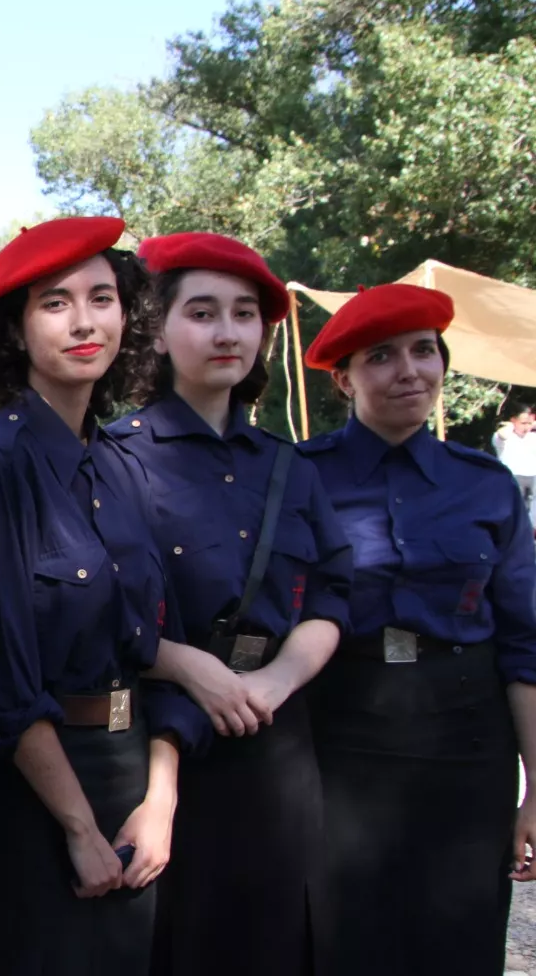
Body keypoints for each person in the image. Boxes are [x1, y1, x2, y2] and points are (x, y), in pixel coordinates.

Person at [105, 232, 351, 976]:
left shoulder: (288, 465)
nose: (226, 332)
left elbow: (333, 595)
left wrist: (275, 681)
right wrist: (193, 671)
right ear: (159, 328)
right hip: (151, 745)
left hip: (273, 743)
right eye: (203, 312)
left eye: (245, 315)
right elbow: (102, 608)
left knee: (274, 941)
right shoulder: (115, 457)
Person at [0, 217, 177, 976]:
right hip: (38, 788)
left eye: (102, 298)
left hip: (127, 765)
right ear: (14, 331)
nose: (85, 321)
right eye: (55, 303)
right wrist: (78, 826)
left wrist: (157, 796)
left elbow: (143, 641)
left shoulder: (120, 465)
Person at [298, 284, 536, 976]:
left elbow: (525, 642)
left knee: (458, 939)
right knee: (345, 938)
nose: (410, 371)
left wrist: (535, 790)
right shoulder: (300, 480)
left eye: (424, 351)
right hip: (341, 730)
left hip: (465, 733)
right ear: (344, 378)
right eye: (382, 357)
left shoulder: (486, 485)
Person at [493, 404, 536, 513]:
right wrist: (511, 426)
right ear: (513, 420)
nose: (526, 427)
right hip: (513, 476)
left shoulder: (532, 437)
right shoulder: (503, 437)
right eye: (523, 423)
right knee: (514, 509)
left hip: (533, 477)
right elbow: (502, 435)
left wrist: (530, 424)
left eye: (529, 423)